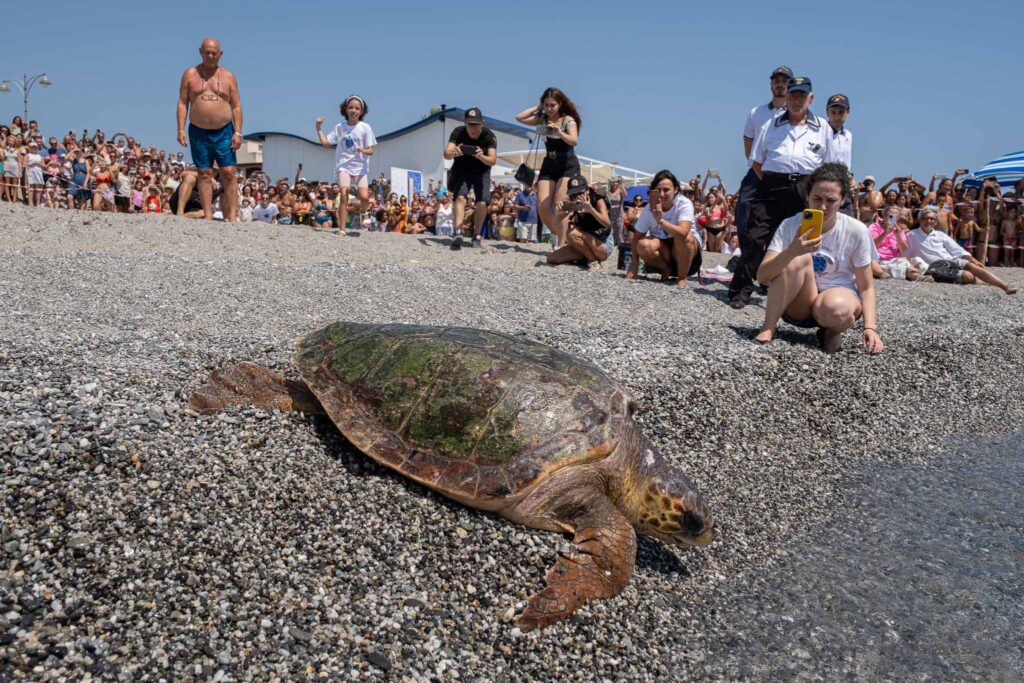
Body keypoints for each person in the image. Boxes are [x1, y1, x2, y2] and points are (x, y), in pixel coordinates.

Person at [729, 76, 839, 309]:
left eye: (802, 96)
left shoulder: (823, 129)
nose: (796, 100)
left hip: (806, 189)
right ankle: (741, 290)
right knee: (756, 237)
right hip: (772, 186)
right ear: (786, 98)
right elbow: (757, 161)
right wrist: (772, 181)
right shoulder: (771, 124)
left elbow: (829, 166)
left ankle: (805, 292)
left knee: (807, 239)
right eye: (792, 95)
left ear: (811, 99)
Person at [753, 163, 882, 353]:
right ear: (807, 196)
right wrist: (792, 251)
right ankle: (767, 328)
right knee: (800, 259)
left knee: (837, 308)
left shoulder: (856, 230)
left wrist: (870, 327)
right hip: (798, 304)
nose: (823, 206)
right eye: (817, 198)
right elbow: (762, 276)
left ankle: (830, 331)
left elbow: (866, 286)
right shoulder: (790, 224)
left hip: (835, 301)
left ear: (842, 200)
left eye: (831, 200)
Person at [735, 66, 792, 279]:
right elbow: (748, 144)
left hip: (780, 174)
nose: (780, 84)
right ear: (771, 84)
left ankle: (772, 267)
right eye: (777, 80)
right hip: (757, 171)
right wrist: (757, 166)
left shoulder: (795, 114)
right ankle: (749, 261)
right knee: (743, 212)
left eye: (785, 81)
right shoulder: (756, 113)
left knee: (779, 220)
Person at [176, 38, 242, 221]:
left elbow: (236, 106)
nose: (210, 56)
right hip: (199, 130)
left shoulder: (229, 76)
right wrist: (180, 129)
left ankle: (233, 216)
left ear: (220, 54)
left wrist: (238, 132)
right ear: (200, 52)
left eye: (214, 53)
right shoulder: (190, 74)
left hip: (224, 131)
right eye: (207, 52)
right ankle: (208, 215)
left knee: (228, 172)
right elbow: (183, 103)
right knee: (204, 172)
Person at [515, 88, 582, 247]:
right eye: (546, 105)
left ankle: (560, 244)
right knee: (542, 207)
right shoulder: (542, 118)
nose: (549, 108)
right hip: (549, 163)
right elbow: (519, 117)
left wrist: (560, 133)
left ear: (560, 104)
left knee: (560, 205)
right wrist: (538, 108)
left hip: (567, 164)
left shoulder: (568, 120)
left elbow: (574, 140)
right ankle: (559, 234)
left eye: (553, 105)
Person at [901, 205, 1016, 294]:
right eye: (925, 218)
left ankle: (1004, 286)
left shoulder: (940, 234)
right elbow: (905, 252)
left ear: (936, 222)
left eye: (931, 219)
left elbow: (957, 249)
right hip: (934, 266)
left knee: (972, 265)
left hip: (950, 260)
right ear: (920, 220)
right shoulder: (911, 234)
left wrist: (972, 259)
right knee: (968, 276)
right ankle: (987, 282)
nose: (928, 221)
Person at [627, 170, 702, 285]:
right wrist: (634, 266)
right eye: (658, 190)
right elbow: (636, 237)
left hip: (688, 258)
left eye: (666, 190)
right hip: (664, 253)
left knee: (685, 238)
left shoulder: (683, 204)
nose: (662, 194)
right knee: (643, 244)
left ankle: (682, 277)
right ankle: (664, 268)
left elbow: (683, 233)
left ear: (675, 190)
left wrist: (661, 221)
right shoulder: (649, 208)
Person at [315, 95, 376, 235]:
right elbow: (326, 144)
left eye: (357, 108)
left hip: (360, 167)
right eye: (351, 107)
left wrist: (364, 150)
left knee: (364, 197)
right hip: (344, 165)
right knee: (343, 194)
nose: (353, 110)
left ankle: (364, 211)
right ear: (346, 109)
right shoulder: (340, 127)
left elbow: (371, 150)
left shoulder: (365, 127)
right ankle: (342, 230)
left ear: (361, 111)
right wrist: (318, 128)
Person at [442, 107, 497, 249]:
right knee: (460, 198)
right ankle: (458, 232)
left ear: (482, 123)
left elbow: (492, 160)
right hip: (462, 170)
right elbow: (446, 154)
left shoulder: (489, 136)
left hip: (482, 171)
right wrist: (455, 152)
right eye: (469, 124)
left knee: (482, 203)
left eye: (475, 124)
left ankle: (477, 235)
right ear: (464, 122)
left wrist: (481, 156)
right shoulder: (458, 132)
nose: (472, 128)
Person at [545, 174, 611, 269]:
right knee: (552, 258)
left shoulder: (597, 200)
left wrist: (591, 210)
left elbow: (607, 223)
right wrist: (559, 214)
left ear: (587, 190)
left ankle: (593, 260)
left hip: (602, 243)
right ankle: (586, 256)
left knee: (571, 233)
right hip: (583, 244)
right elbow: (555, 224)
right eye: (573, 195)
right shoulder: (571, 204)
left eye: (580, 193)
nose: (576, 197)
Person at [824, 94, 854, 216]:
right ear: (827, 112)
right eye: (833, 112)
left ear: (848, 112)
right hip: (826, 185)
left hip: (844, 186)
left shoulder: (848, 135)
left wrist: (851, 176)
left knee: (846, 227)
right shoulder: (820, 133)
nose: (836, 116)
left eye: (841, 112)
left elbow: (846, 160)